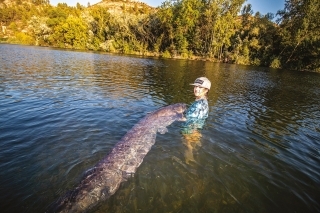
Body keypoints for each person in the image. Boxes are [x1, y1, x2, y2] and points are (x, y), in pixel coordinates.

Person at [182, 77, 211, 163]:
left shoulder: (199, 104)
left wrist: (176, 117)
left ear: (206, 90)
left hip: (190, 131)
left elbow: (190, 120)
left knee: (188, 149)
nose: (196, 89)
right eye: (195, 86)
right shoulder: (203, 101)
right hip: (196, 131)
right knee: (196, 150)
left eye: (200, 87)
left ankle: (190, 164)